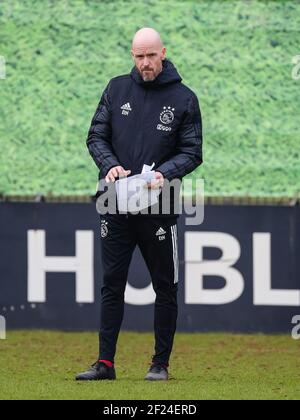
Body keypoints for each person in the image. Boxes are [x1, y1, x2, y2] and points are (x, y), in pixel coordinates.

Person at [76, 27, 203, 381]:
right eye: (138, 56)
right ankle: (105, 364)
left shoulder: (185, 98)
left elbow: (193, 152)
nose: (145, 63)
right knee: (111, 284)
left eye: (150, 55)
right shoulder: (116, 88)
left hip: (158, 209)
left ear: (163, 52)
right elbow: (95, 135)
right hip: (114, 206)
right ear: (132, 55)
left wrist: (164, 173)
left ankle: (159, 364)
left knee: (165, 285)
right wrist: (109, 165)